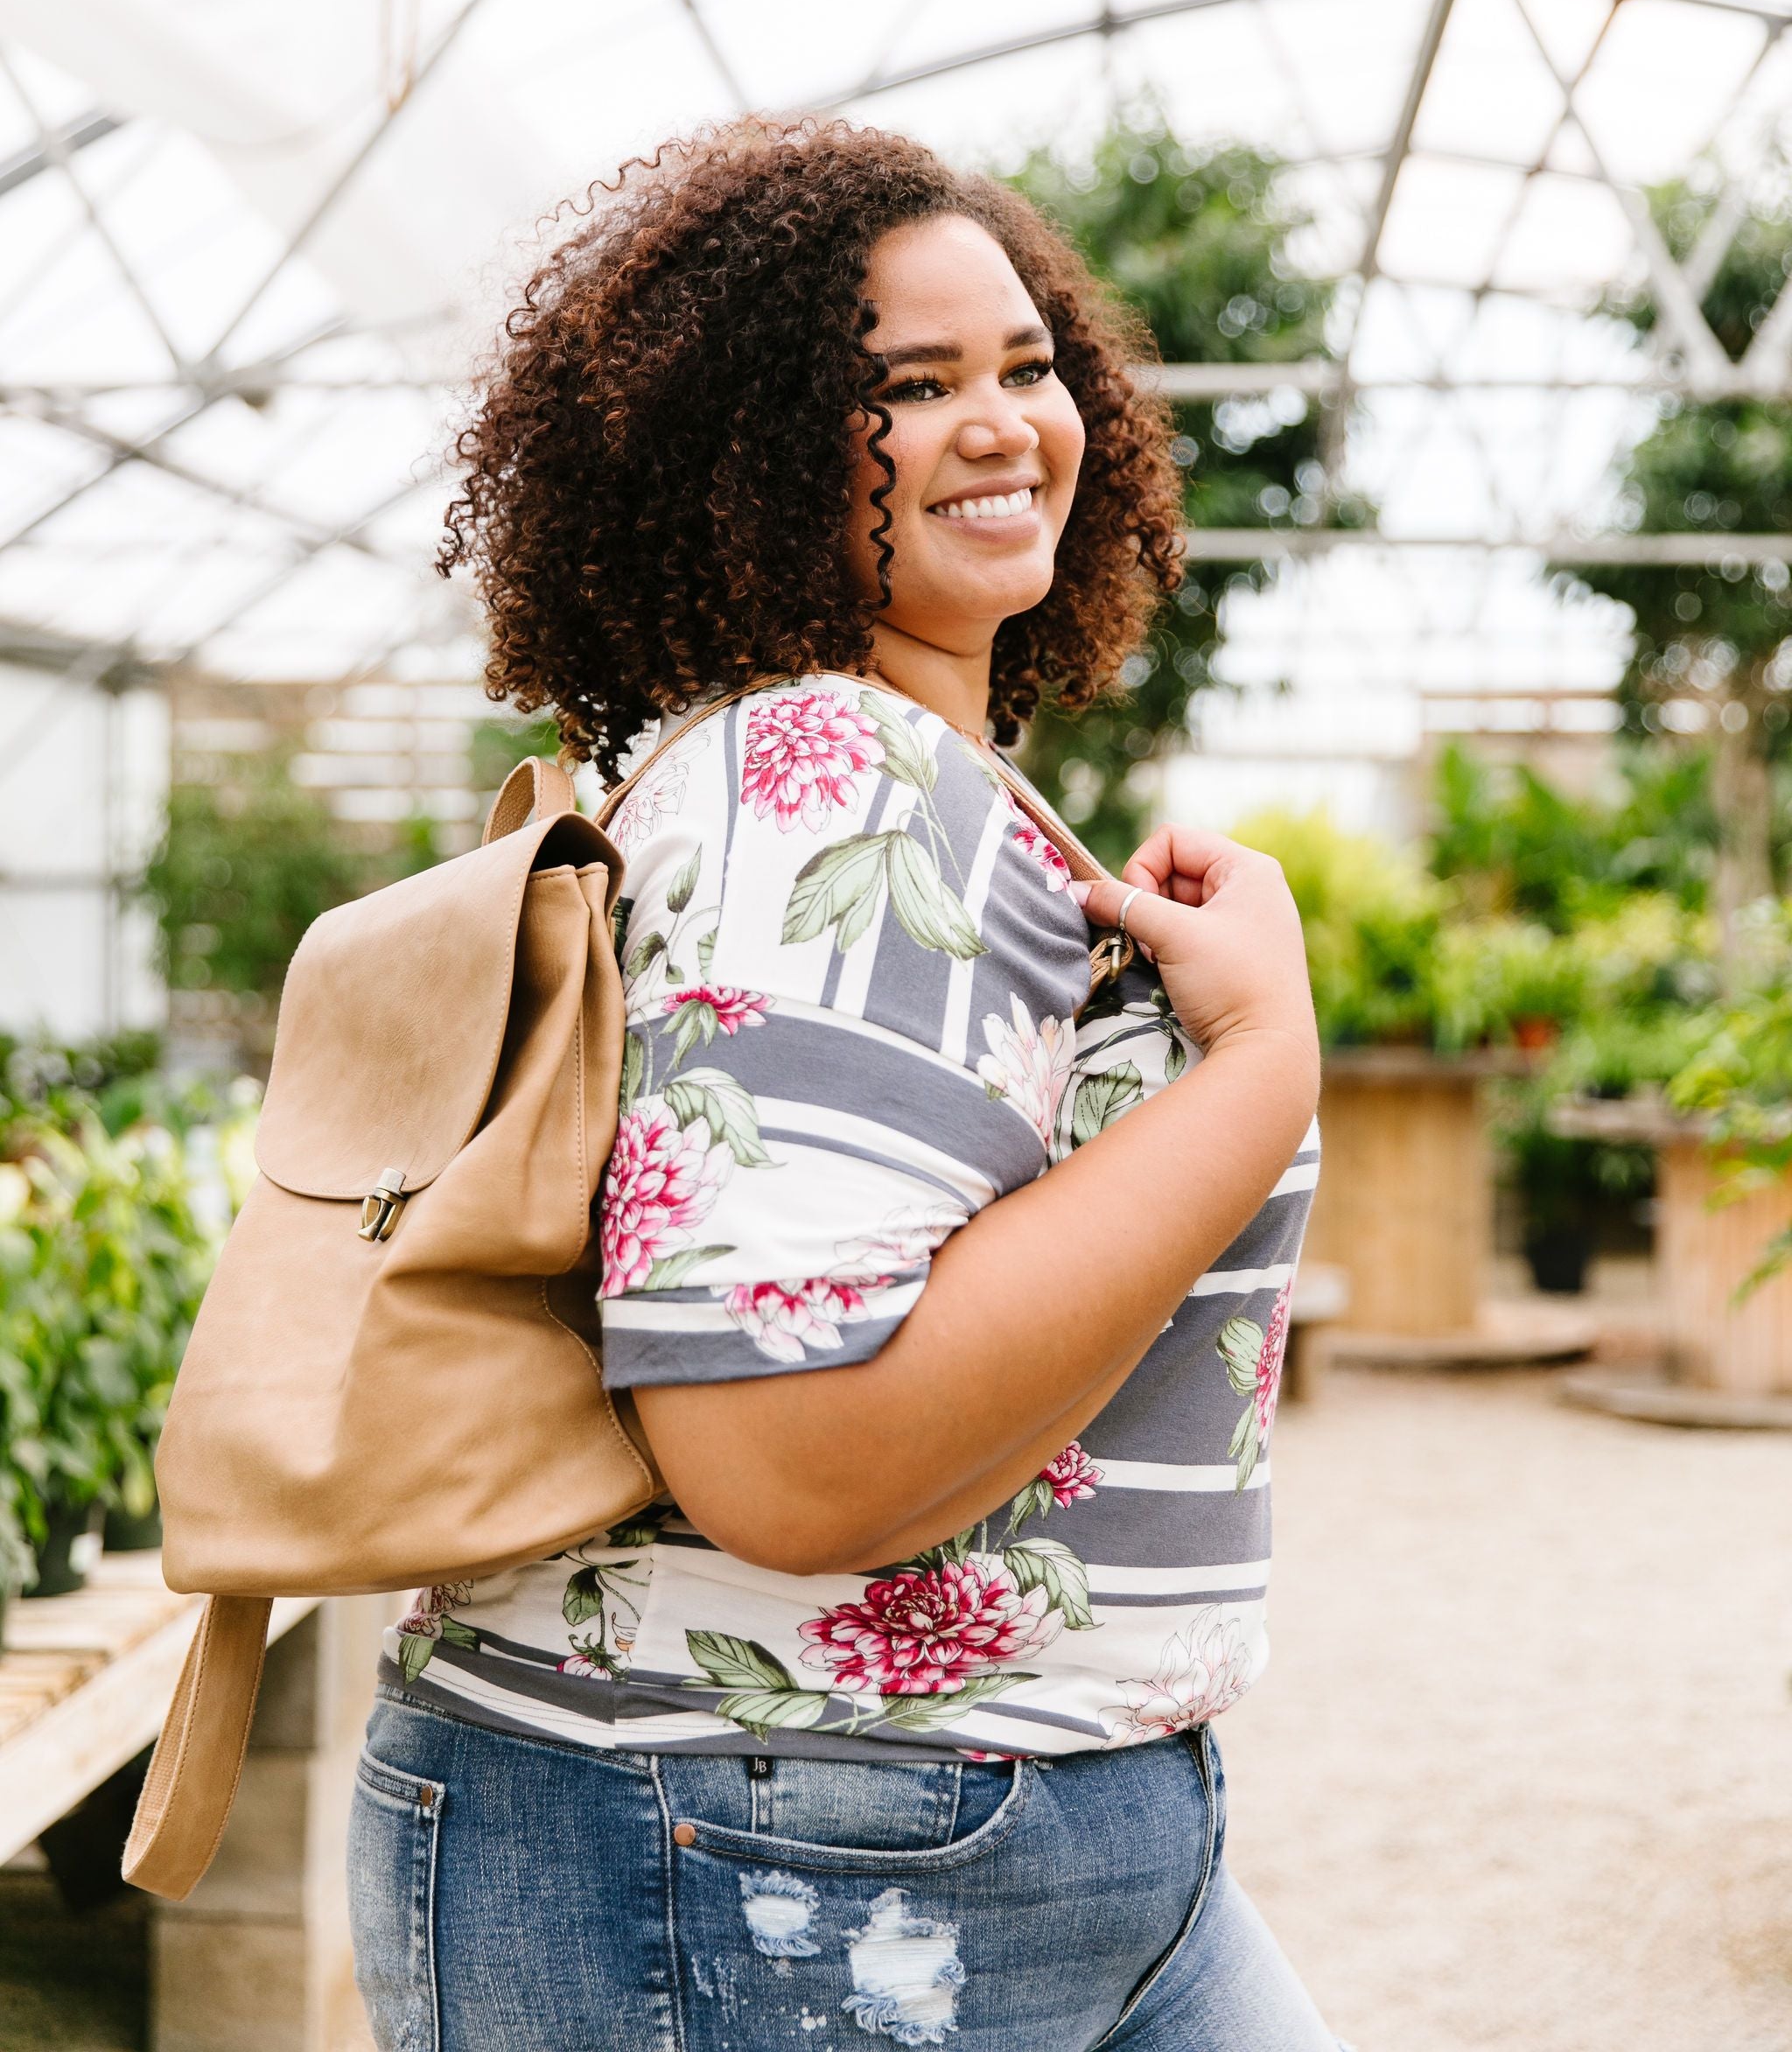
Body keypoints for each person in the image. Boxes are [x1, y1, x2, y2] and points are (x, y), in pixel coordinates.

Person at [347, 119, 1335, 2050]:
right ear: (751, 451)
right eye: (908, 387)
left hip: (965, 1832)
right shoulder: (824, 772)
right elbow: (790, 1461)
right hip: (757, 1851)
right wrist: (1259, 1063)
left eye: (1024, 366)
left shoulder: (915, 776)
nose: (998, 423)